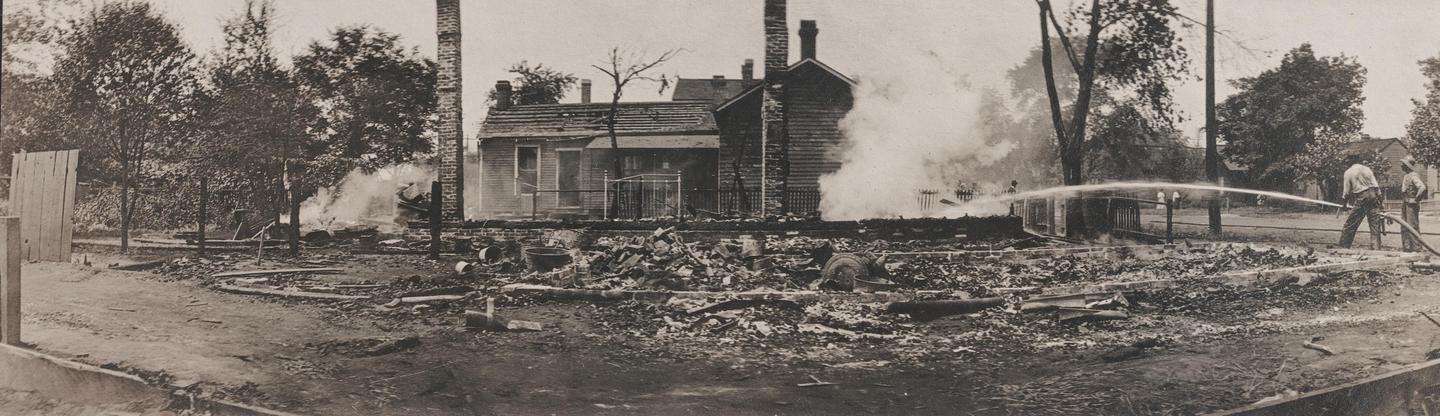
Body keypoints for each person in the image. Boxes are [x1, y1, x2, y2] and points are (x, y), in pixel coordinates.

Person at [1338, 162, 1385, 249]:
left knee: (1350, 224)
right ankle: (1376, 249)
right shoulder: (1367, 169)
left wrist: (1344, 205)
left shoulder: (1348, 172)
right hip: (1374, 197)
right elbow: (1377, 188)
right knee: (1375, 225)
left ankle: (1343, 247)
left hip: (1362, 197)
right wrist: (1381, 204)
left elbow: (1346, 193)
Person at [1400, 156, 1428, 252]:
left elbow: (1422, 188)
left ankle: (1417, 249)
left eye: (1403, 164)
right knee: (1404, 226)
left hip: (1411, 205)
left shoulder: (1413, 175)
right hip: (1405, 203)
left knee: (1412, 226)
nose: (1401, 166)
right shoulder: (1406, 176)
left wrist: (1416, 199)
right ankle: (1407, 248)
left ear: (1407, 166)